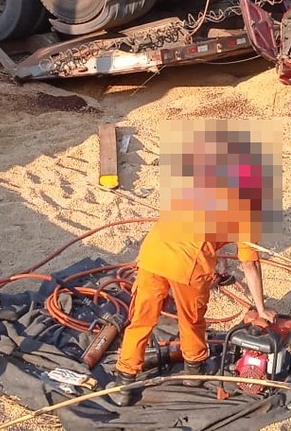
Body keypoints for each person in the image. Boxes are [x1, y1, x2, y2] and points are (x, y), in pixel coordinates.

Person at [110, 126, 278, 406]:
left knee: (142, 319)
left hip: (153, 252)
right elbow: (250, 264)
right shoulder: (251, 208)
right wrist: (261, 308)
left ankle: (124, 381)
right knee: (192, 318)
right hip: (190, 264)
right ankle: (194, 369)